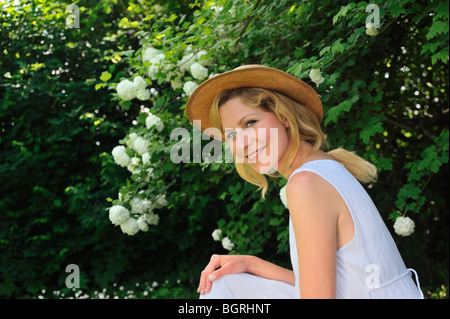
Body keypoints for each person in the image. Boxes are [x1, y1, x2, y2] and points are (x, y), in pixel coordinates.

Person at [184, 65, 424, 299]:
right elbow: (341, 285)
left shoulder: (306, 184)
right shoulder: (327, 168)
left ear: (283, 116)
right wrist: (252, 263)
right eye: (232, 135)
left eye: (250, 123)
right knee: (227, 284)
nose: (242, 143)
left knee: (221, 290)